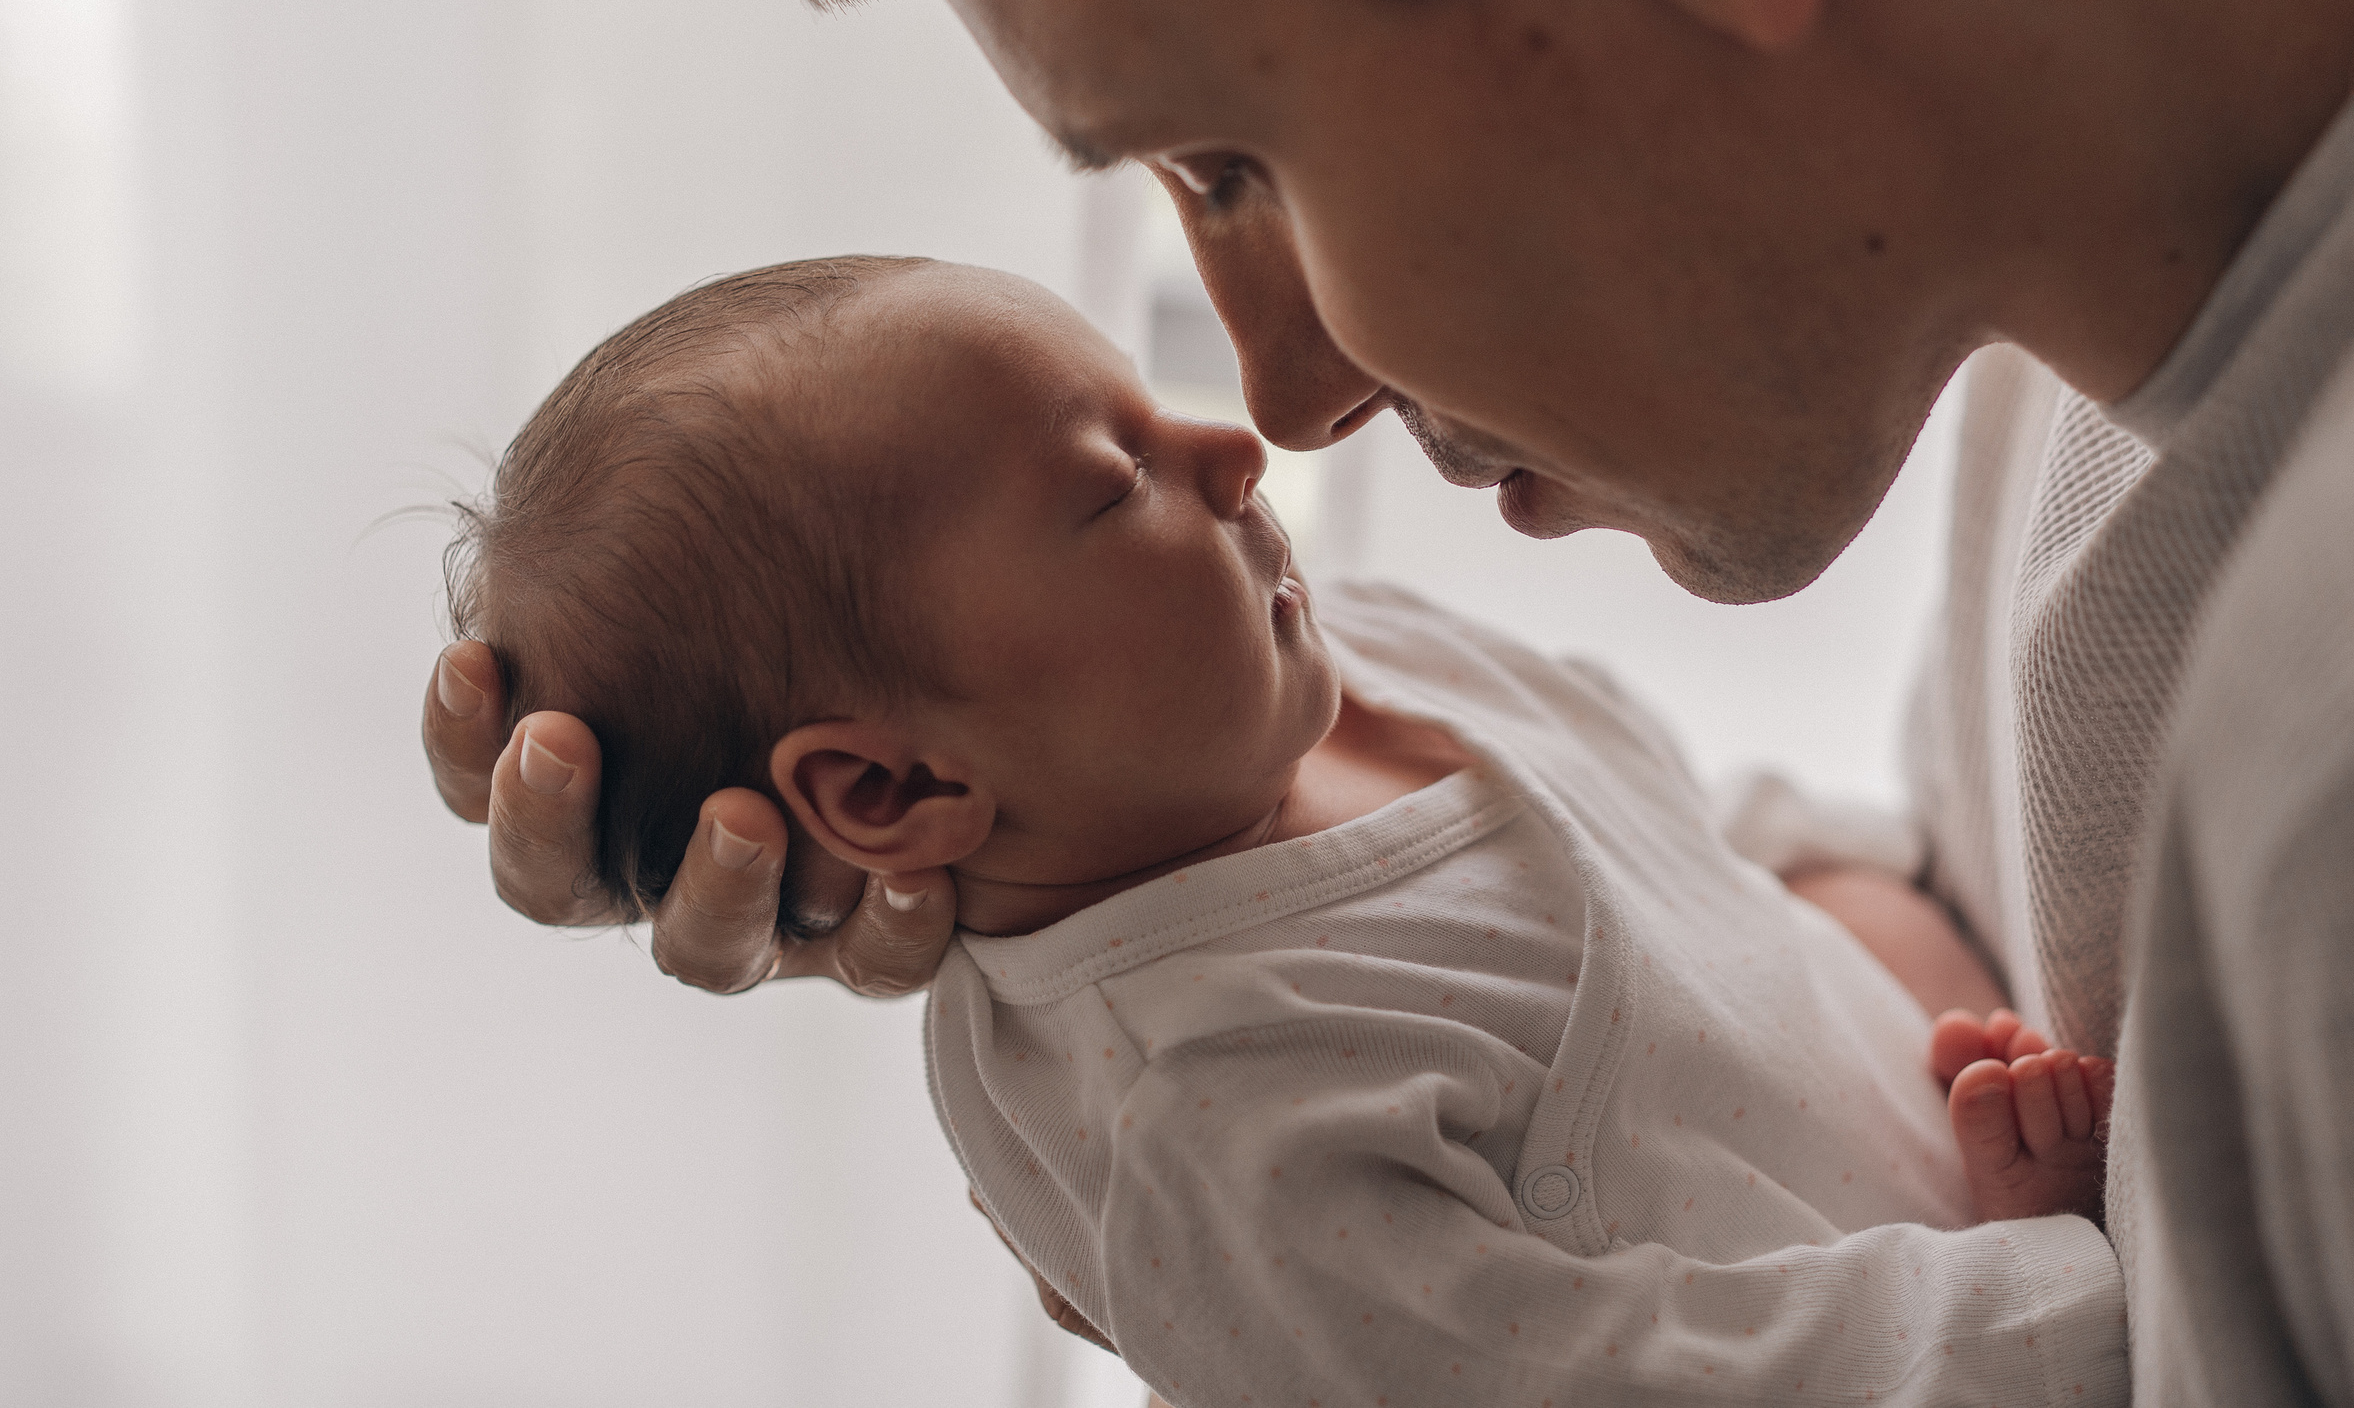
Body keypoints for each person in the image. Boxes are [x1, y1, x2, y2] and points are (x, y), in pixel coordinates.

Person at [424, 0, 2354, 1400]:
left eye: (1236, 156)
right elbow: (1983, 925)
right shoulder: (2136, 238)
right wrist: (1146, 916)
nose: (1279, 394)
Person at [449, 252, 2123, 1403]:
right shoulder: (1218, 1123)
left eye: (1143, 400)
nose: (1234, 444)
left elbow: (1650, 815)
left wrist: (1855, 897)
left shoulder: (1334, 656)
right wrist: (2052, 1296)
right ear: (888, 793)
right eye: (1110, 489)